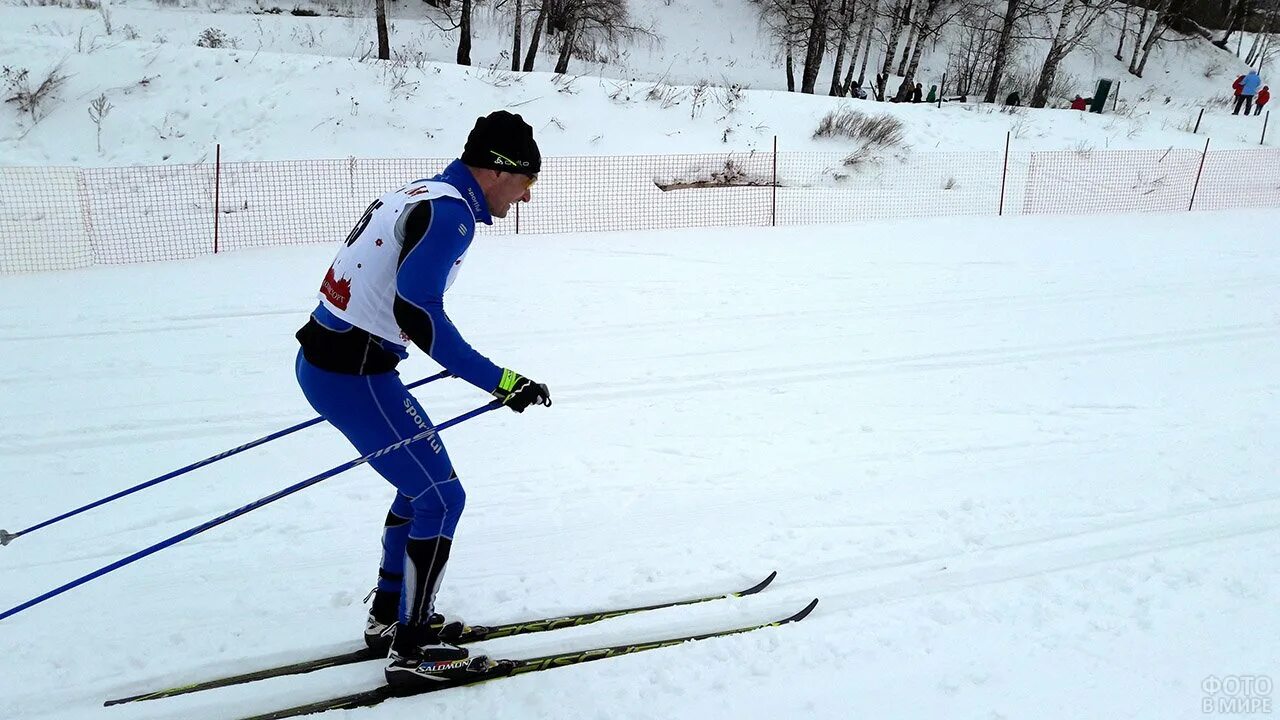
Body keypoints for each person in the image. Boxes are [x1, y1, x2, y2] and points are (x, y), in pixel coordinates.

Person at [293, 110, 551, 689]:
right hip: (352, 372)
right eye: (528, 183)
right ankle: (411, 650)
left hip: (338, 362)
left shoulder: (423, 192)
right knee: (441, 496)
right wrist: (500, 381)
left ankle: (390, 618)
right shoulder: (452, 215)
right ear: (499, 171)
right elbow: (418, 310)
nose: (527, 198)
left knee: (421, 490)